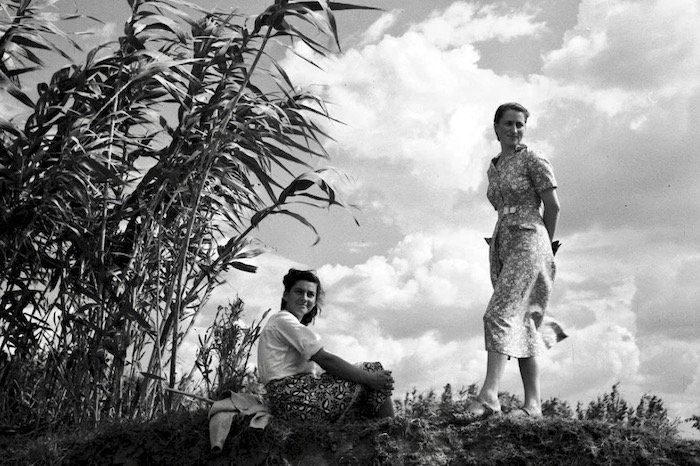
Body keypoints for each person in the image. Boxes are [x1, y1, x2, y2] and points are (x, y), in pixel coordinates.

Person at [464, 102, 567, 420]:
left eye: (520, 124)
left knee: (497, 314)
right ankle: (533, 406)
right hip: (502, 244)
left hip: (530, 239)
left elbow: (553, 207)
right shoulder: (494, 166)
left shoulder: (533, 158)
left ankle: (489, 396)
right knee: (523, 323)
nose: (514, 129)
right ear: (496, 127)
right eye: (508, 123)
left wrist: (545, 247)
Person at [257, 268, 395, 423]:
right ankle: (395, 431)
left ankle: (384, 430)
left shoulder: (289, 325)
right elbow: (325, 360)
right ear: (286, 295)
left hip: (294, 398)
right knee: (372, 370)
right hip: (292, 398)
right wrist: (370, 378)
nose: (304, 298)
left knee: (365, 377)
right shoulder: (283, 320)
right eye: (299, 292)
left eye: (310, 294)